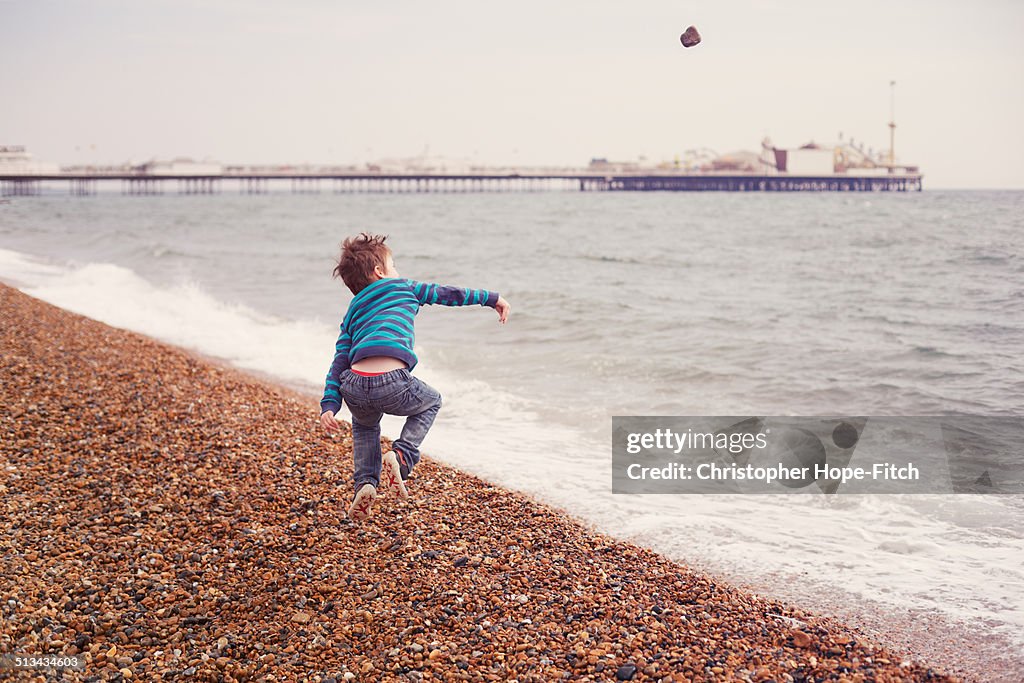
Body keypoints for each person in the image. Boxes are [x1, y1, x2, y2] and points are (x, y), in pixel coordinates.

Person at [319, 233, 510, 522]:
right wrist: (491, 299)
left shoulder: (352, 312)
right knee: (431, 401)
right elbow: (449, 294)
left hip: (354, 385)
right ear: (380, 272)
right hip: (392, 380)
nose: (397, 271)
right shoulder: (403, 287)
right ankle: (402, 455)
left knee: (365, 427)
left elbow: (339, 360)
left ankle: (366, 484)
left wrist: (330, 404)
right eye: (393, 265)